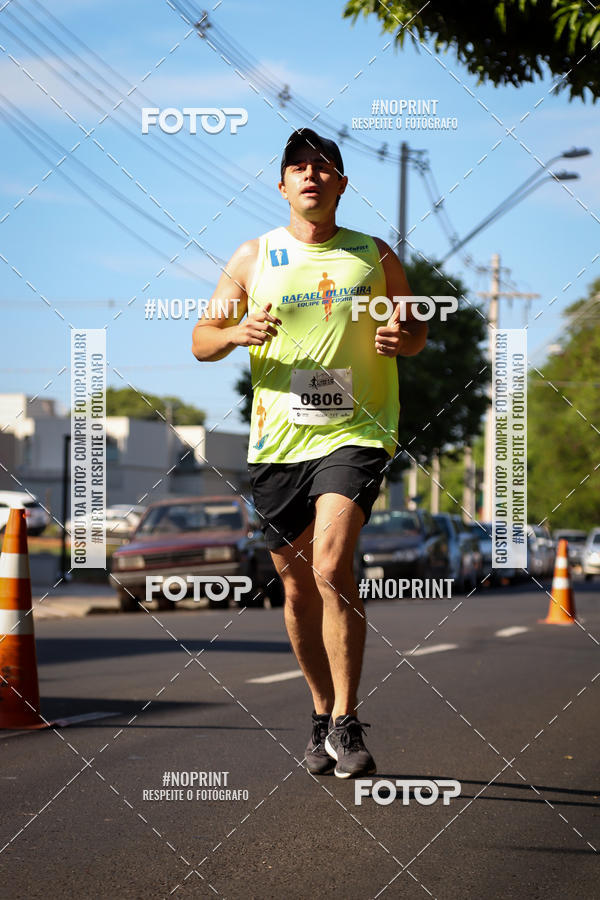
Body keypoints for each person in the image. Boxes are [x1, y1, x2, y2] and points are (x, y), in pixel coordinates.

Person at [192, 128, 427, 778]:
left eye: (324, 167)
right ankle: (321, 713)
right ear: (283, 185)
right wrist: (237, 331)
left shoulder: (373, 255)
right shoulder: (253, 256)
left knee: (330, 565)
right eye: (299, 167)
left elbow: (416, 335)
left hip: (356, 432)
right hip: (278, 442)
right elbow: (201, 339)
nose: (311, 175)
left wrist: (401, 335)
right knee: (296, 588)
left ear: (342, 184)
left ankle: (349, 719)